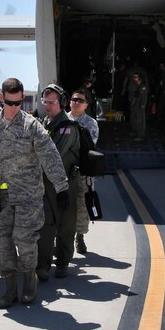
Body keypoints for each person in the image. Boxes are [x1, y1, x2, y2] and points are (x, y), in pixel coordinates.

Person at [0, 78, 69, 307]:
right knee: (3, 242)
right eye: (10, 102)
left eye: (19, 102)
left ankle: (29, 282)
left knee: (25, 240)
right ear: (2, 98)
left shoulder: (32, 126)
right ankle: (9, 288)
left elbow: (50, 157)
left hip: (28, 195)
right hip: (1, 194)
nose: (15, 107)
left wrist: (61, 187)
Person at [36, 84, 81, 280]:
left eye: (51, 102)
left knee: (65, 225)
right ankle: (43, 264)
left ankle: (62, 263)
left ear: (61, 103)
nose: (47, 106)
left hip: (66, 185)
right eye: (45, 102)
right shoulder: (44, 123)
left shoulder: (68, 127)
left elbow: (53, 155)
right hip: (46, 184)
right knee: (46, 225)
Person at [67, 86, 99, 255]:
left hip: (82, 173)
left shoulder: (90, 123)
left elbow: (89, 145)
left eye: (80, 100)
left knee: (82, 206)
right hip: (64, 172)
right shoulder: (61, 119)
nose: (76, 103)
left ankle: (80, 237)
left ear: (86, 105)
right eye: (73, 99)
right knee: (63, 206)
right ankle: (63, 239)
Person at [125, 68, 149, 141]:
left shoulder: (143, 86)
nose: (134, 78)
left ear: (139, 78)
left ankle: (140, 135)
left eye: (135, 77)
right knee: (135, 119)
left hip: (140, 106)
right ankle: (136, 132)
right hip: (137, 105)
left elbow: (144, 97)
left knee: (140, 120)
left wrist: (142, 105)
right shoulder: (138, 86)